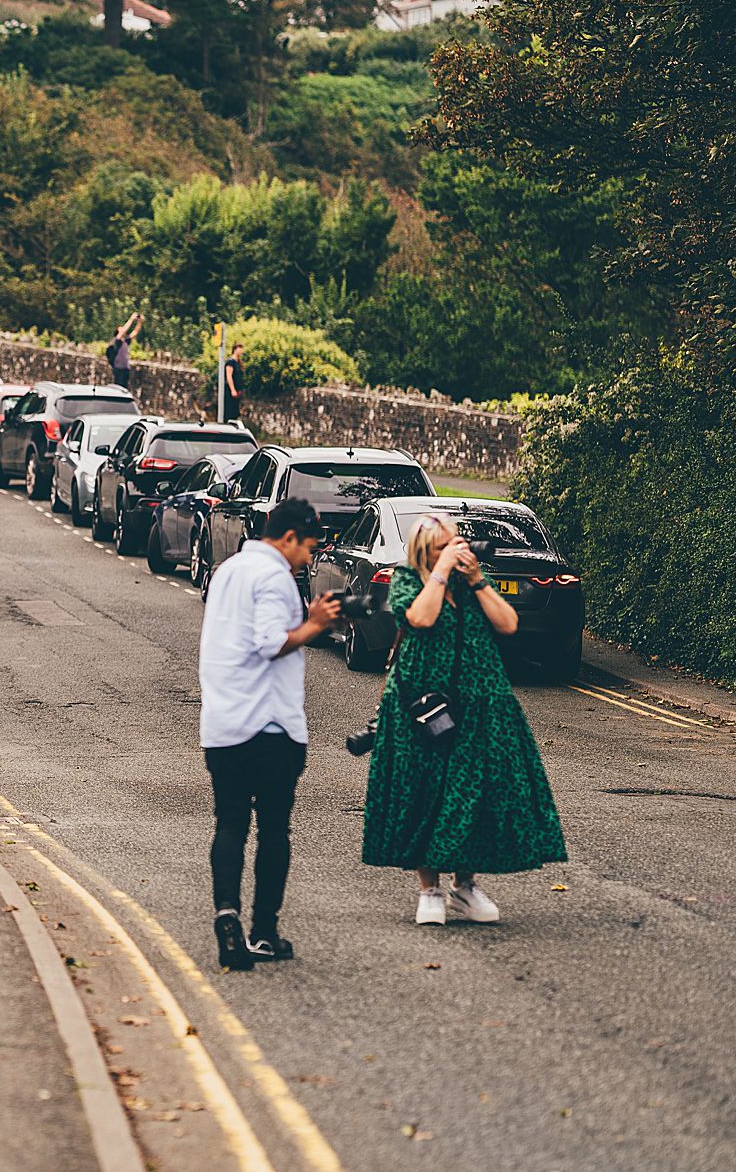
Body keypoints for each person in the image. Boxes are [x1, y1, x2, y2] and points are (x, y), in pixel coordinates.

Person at [362, 514, 566, 924]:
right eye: (444, 546)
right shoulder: (407, 578)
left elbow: (508, 623)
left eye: (457, 543)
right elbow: (420, 618)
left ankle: (465, 885)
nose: (457, 550)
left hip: (480, 700)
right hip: (423, 703)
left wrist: (476, 579)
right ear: (425, 552)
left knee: (474, 791)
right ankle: (429, 890)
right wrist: (439, 572)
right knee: (425, 792)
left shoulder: (471, 579)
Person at [198, 499, 343, 970]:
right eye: (309, 547)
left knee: (230, 823)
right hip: (270, 726)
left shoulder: (227, 571)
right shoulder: (275, 576)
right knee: (274, 828)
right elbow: (269, 642)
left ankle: (226, 915)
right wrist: (316, 624)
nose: (310, 557)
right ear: (287, 538)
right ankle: (262, 932)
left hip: (222, 724)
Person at [106, 311, 142, 391]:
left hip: (125, 369)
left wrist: (140, 322)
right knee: (118, 388)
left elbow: (135, 332)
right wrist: (131, 319)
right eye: (121, 330)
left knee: (124, 389)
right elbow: (123, 331)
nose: (123, 330)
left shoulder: (125, 341)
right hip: (118, 369)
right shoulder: (116, 341)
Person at [222, 342, 245, 424]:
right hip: (231, 390)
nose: (241, 351)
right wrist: (233, 390)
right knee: (230, 409)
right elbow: (229, 376)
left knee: (235, 410)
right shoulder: (230, 362)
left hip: (237, 390)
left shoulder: (238, 363)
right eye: (240, 348)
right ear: (235, 349)